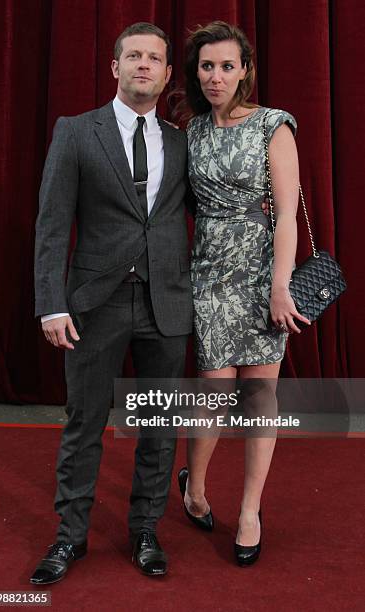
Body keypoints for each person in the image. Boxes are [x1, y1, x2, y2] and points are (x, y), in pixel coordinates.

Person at [31, 22, 195, 582]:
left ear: (169, 74)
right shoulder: (76, 132)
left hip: (167, 304)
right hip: (92, 305)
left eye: (154, 58)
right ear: (115, 66)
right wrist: (52, 304)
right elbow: (52, 226)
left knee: (160, 423)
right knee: (84, 424)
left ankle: (145, 531)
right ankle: (69, 538)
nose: (143, 65)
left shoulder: (182, 142)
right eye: (133, 56)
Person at [177, 21, 311, 566]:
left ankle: (251, 509)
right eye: (207, 66)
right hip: (209, 273)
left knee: (259, 397)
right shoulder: (190, 132)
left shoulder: (272, 126)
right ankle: (195, 488)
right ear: (196, 72)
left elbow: (284, 217)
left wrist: (281, 286)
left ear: (244, 71)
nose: (216, 76)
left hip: (262, 274)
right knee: (213, 392)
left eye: (226, 66)